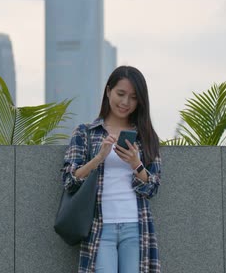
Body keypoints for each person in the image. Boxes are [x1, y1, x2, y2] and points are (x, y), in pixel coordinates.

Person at [61, 66, 161, 273]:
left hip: (136, 225)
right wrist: (98, 158)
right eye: (120, 94)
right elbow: (70, 181)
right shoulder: (86, 132)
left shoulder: (146, 136)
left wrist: (136, 164)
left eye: (133, 97)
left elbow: (153, 187)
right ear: (108, 92)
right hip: (100, 227)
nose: (125, 102)